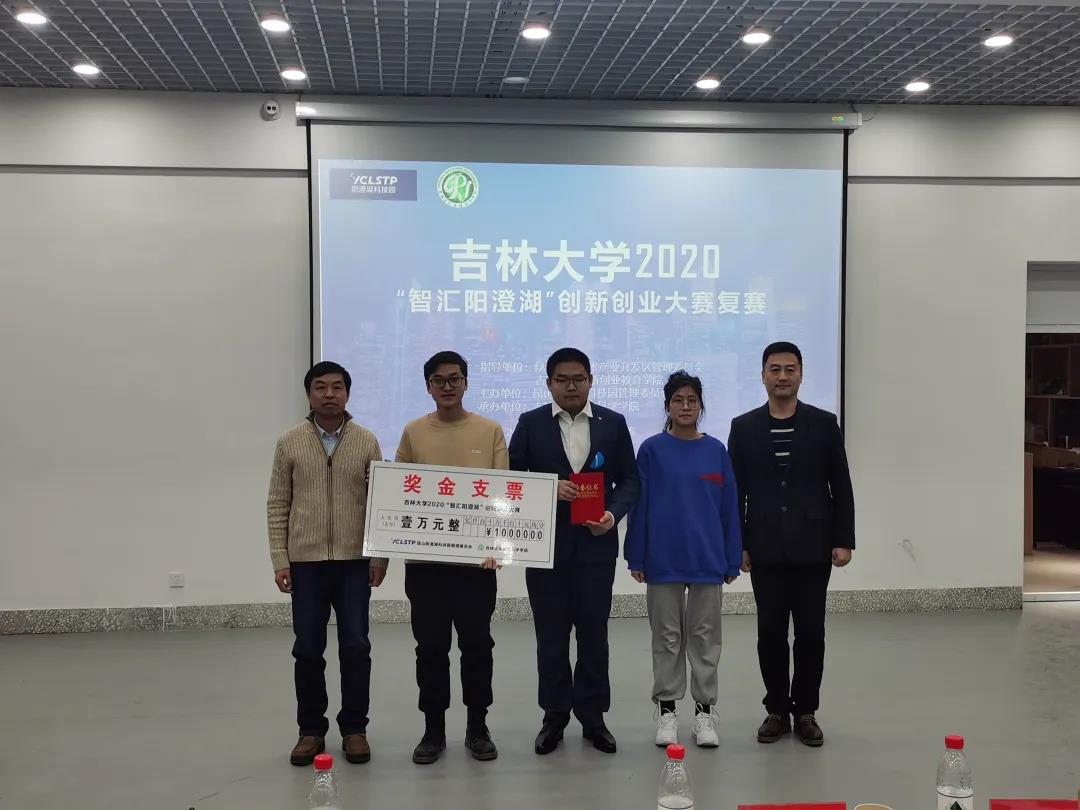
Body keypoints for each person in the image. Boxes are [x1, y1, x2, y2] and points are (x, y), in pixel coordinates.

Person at [509, 347, 640, 755]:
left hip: (596, 548)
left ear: (590, 381)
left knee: (593, 636)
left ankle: (593, 717)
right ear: (549, 383)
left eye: (578, 379)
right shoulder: (530, 423)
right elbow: (512, 479)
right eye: (562, 379)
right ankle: (554, 716)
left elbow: (630, 480)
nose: (571, 386)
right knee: (550, 638)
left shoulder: (613, 423)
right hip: (546, 549)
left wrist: (612, 515)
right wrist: (549, 488)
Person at [726, 342, 855, 748]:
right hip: (764, 546)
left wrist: (844, 539)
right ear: (763, 375)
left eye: (790, 369)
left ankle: (807, 712)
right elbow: (735, 493)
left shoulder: (824, 423)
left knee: (811, 633)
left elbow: (841, 485)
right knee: (770, 633)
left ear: (801, 374)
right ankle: (777, 710)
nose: (782, 376)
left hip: (814, 546)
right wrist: (738, 544)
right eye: (775, 369)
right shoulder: (743, 427)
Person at [266, 361, 387, 767]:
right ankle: (310, 730)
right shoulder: (289, 442)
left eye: (337, 387)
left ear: (348, 394)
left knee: (356, 646)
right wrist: (280, 559)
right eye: (321, 387)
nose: (329, 394)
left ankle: (355, 729)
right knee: (307, 649)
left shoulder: (367, 440)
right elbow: (277, 503)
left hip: (354, 562)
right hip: (306, 563)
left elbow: (381, 503)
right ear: (309, 394)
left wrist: (378, 557)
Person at [395, 351, 507, 765]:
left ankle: (478, 728)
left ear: (466, 383)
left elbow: (502, 497)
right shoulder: (413, 432)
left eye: (455, 379)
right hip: (425, 567)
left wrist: (497, 548)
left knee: (477, 647)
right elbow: (400, 490)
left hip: (476, 567)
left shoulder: (489, 430)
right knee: (430, 649)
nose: (447, 386)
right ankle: (433, 730)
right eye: (439, 380)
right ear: (428, 386)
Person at [624, 370, 742, 749]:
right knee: (667, 638)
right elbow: (640, 507)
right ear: (667, 406)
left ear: (701, 406)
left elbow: (729, 509)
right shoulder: (652, 450)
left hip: (707, 558)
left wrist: (731, 559)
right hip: (663, 559)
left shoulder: (716, 451)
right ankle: (667, 713)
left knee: (705, 638)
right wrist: (636, 556)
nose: (686, 406)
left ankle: (704, 714)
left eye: (692, 400)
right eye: (678, 400)